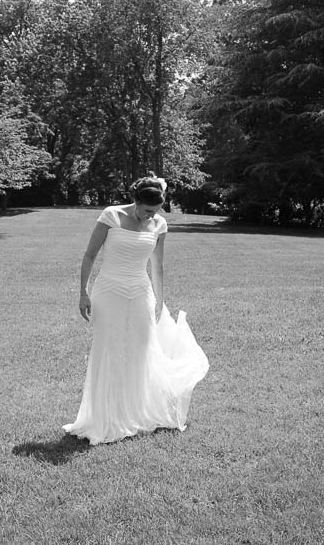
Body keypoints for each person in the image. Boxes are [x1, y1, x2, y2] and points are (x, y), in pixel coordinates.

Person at [63, 175, 209, 445]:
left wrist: (160, 301)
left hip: (141, 292)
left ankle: (136, 412)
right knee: (109, 349)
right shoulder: (111, 216)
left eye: (155, 211)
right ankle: (104, 418)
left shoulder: (160, 224)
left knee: (142, 351)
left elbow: (157, 265)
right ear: (136, 201)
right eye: (147, 210)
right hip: (108, 291)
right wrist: (83, 293)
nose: (150, 216)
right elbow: (89, 255)